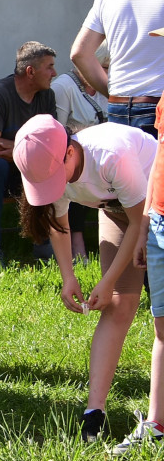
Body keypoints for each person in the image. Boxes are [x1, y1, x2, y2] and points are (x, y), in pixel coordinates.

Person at [12, 115, 154, 444]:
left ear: (70, 154)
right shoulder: (49, 163)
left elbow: (140, 222)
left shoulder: (110, 155)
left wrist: (107, 281)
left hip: (153, 209)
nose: (51, 188)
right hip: (124, 212)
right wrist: (68, 276)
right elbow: (58, 223)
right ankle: (94, 413)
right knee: (118, 304)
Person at [71, 0, 164, 139]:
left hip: (119, 108)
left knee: (123, 173)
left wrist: (113, 92)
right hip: (160, 107)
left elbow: (79, 53)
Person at [0, 41, 58, 269]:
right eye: (49, 67)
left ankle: (43, 242)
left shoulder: (46, 96)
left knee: (48, 166)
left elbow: (53, 144)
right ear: (30, 71)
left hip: (25, 168)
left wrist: (15, 149)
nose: (55, 73)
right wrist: (31, 148)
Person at [113, 89, 164, 454]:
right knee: (162, 328)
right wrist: (145, 223)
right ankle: (156, 422)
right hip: (160, 219)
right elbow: (160, 158)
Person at [52, 43, 110, 261]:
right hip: (72, 155)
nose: (106, 74)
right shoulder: (64, 86)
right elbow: (58, 131)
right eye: (103, 67)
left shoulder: (105, 86)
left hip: (102, 156)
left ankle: (112, 240)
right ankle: (77, 240)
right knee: (75, 175)